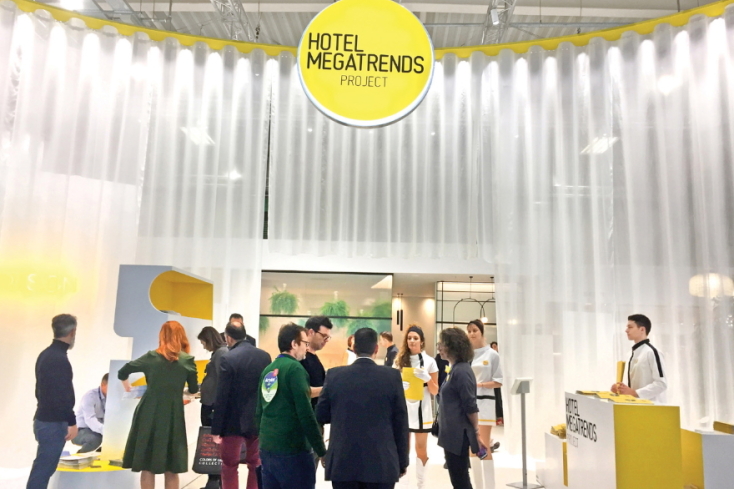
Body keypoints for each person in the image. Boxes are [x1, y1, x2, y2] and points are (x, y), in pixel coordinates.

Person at [316, 327, 409, 489]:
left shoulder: (334, 375)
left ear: (353, 347)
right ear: (376, 349)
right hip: (381, 464)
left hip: (343, 463)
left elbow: (321, 415)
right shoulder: (392, 377)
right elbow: (400, 422)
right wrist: (402, 461)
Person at [119, 321, 199, 489]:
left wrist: (128, 387)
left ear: (162, 335)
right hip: (173, 415)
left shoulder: (151, 357)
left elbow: (123, 371)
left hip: (148, 413)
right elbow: (193, 389)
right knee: (172, 466)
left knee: (147, 465)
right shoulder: (187, 360)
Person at [256, 323, 326, 489]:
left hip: (267, 448)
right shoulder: (295, 369)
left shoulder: (268, 370)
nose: (307, 348)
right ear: (294, 344)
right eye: (305, 343)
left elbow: (259, 411)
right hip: (293, 450)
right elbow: (305, 414)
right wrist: (321, 450)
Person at [211, 322, 272, 489]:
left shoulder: (228, 358)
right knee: (256, 463)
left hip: (232, 420)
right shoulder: (264, 357)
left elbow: (222, 395)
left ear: (228, 338)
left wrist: (216, 429)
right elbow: (267, 390)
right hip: (257, 418)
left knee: (229, 464)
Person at [27, 314, 78, 489]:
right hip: (53, 423)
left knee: (43, 468)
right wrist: (71, 421)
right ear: (72, 332)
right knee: (42, 471)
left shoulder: (46, 355)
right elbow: (63, 395)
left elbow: (40, 391)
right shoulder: (59, 359)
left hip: (44, 419)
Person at [437, 328, 488, 489]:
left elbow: (470, 406)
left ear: (452, 347)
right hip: (452, 433)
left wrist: (476, 432)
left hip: (458, 434)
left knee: (460, 480)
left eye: (442, 344)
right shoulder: (455, 369)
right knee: (458, 478)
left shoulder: (462, 371)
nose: (439, 347)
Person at [393, 325, 439, 489]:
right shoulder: (398, 361)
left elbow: (435, 390)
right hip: (403, 408)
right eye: (409, 338)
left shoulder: (430, 361)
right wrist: (399, 386)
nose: (412, 341)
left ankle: (421, 484)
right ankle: (403, 484)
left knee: (421, 449)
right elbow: (391, 387)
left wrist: (428, 379)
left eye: (415, 338)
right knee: (403, 448)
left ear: (422, 341)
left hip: (422, 409)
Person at [466, 320, 503, 489]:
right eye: (469, 331)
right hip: (468, 403)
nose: (472, 333)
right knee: (472, 448)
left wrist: (480, 385)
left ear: (481, 332)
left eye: (475, 330)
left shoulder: (492, 355)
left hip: (486, 403)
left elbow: (499, 381)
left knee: (484, 446)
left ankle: (490, 486)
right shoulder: (466, 355)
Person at [197, 326, 228, 489]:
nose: (203, 346)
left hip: (213, 405)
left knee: (212, 442)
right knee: (210, 441)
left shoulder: (221, 354)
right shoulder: (218, 353)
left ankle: (215, 479)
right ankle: (214, 479)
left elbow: (223, 381)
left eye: (203, 342)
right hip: (211, 403)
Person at [611, 314, 667, 403]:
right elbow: (632, 385)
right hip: (633, 406)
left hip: (651, 407)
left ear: (642, 329)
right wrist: (620, 389)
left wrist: (635, 393)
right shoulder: (629, 354)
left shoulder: (652, 352)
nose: (626, 330)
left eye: (630, 327)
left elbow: (661, 384)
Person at [301, 316, 334, 409]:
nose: (326, 340)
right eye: (324, 336)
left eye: (328, 337)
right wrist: (329, 388)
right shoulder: (301, 358)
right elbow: (302, 391)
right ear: (311, 332)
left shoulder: (314, 357)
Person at [71, 373, 108, 453]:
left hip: (99, 430)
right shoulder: (90, 396)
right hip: (81, 430)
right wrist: (106, 430)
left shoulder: (113, 398)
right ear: (102, 385)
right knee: (95, 439)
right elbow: (90, 420)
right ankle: (79, 457)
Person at [488, 342, 503, 426]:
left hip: (501, 380)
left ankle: (501, 417)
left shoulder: (501, 356)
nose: (494, 348)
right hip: (493, 381)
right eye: (492, 347)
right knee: (496, 399)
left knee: (501, 399)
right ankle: (498, 417)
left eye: (495, 346)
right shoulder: (491, 356)